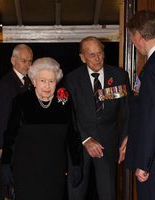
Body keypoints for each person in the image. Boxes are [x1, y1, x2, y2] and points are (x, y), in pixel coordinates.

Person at [1, 57, 83, 200]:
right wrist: (6, 164)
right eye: (42, 80)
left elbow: (72, 134)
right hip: (26, 170)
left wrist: (77, 165)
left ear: (56, 82)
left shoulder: (63, 101)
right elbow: (10, 136)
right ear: (34, 81)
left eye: (51, 81)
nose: (47, 86)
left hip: (54, 170)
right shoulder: (22, 101)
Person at [65, 36, 130, 200]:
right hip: (80, 144)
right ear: (82, 57)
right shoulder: (71, 79)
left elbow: (126, 112)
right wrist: (85, 139)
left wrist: (125, 138)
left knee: (108, 193)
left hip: (109, 142)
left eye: (100, 53)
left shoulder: (119, 75)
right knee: (76, 192)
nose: (97, 58)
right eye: (92, 55)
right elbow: (69, 115)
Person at [0, 44, 33, 199]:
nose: (28, 65)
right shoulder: (6, 84)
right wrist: (3, 149)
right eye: (24, 61)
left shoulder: (29, 82)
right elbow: (2, 119)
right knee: (11, 189)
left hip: (25, 145)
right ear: (13, 61)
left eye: (30, 61)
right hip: (12, 146)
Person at [125, 10, 155, 200]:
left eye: (132, 38)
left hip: (151, 161)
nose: (133, 43)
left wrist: (143, 163)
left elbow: (150, 115)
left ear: (138, 35)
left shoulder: (152, 68)